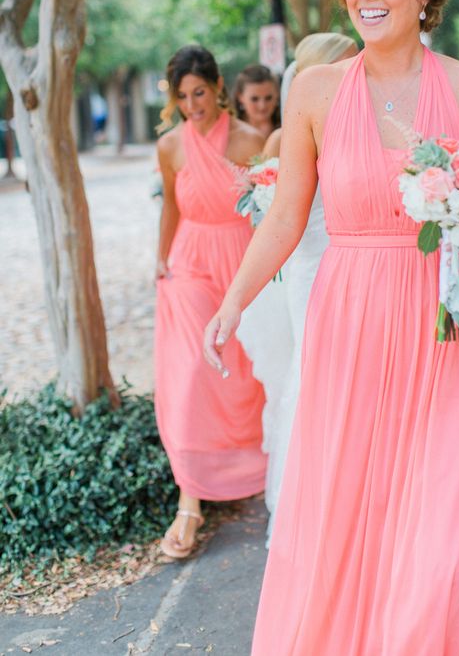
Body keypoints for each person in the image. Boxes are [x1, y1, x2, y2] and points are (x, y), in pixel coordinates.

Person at [205, 0, 459, 654]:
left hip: (445, 329)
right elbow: (285, 218)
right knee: (351, 507)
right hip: (349, 323)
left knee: (443, 522)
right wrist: (232, 299)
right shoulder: (314, 91)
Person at [236, 33, 358, 542]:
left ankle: (352, 493)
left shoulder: (363, 127)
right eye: (348, 67)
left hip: (358, 264)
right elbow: (274, 216)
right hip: (309, 269)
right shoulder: (281, 140)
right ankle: (308, 505)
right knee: (313, 376)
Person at [154, 45, 267, 558]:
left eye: (198, 92)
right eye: (182, 96)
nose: (191, 105)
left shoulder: (251, 140)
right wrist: (161, 259)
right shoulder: (171, 146)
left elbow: (269, 211)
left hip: (239, 259)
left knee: (244, 371)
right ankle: (190, 498)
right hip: (190, 265)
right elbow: (171, 209)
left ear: (218, 86)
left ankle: (253, 464)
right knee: (194, 372)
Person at [232, 64, 280, 139]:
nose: (262, 106)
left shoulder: (288, 128)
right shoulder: (230, 133)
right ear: (240, 97)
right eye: (254, 99)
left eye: (268, 98)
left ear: (277, 94)